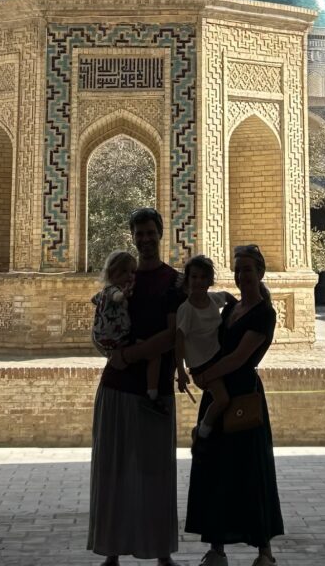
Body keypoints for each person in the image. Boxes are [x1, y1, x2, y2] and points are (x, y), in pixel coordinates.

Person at [87, 207, 186, 566]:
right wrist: (115, 353)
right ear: (133, 236)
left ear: (161, 233)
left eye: (150, 232)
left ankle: (161, 554)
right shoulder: (121, 279)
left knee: (156, 473)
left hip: (153, 389)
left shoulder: (174, 282)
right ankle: (111, 553)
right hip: (117, 385)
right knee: (113, 470)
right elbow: (101, 328)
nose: (145, 239)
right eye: (139, 233)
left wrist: (132, 355)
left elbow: (176, 336)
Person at [185, 244, 284, 566]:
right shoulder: (231, 308)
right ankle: (217, 549)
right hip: (220, 393)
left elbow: (240, 357)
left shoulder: (264, 313)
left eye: (248, 270)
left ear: (260, 273)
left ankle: (264, 552)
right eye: (238, 269)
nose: (242, 276)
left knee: (250, 472)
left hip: (242, 395)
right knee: (216, 471)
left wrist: (204, 376)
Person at [91, 249, 165, 412]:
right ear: (112, 274)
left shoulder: (104, 292)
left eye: (133, 271)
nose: (130, 276)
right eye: (124, 271)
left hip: (105, 341)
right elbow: (116, 297)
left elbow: (94, 299)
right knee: (153, 353)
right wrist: (123, 295)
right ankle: (152, 394)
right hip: (118, 339)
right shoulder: (113, 291)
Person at [174, 255, 232, 443]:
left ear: (209, 280)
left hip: (218, 359)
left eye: (203, 277)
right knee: (222, 400)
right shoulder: (187, 309)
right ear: (187, 280)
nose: (198, 281)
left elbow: (227, 297)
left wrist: (238, 308)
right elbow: (179, 341)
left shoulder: (213, 300)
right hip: (203, 366)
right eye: (194, 277)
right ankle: (202, 430)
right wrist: (181, 372)